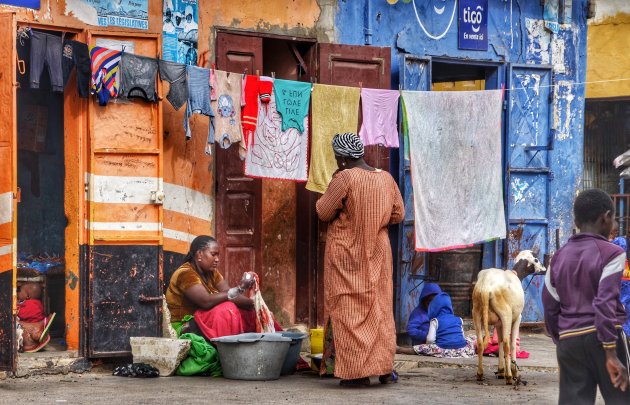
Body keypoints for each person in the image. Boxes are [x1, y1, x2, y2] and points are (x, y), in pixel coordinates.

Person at [316, 132, 404, 387]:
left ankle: (357, 373)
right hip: (378, 252)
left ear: (342, 157)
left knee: (349, 310)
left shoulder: (344, 178)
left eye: (336, 156)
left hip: (347, 255)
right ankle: (384, 368)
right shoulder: (386, 178)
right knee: (379, 309)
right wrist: (375, 222)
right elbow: (398, 213)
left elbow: (323, 212)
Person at [543, 189, 630, 404]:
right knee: (621, 399)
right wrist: (610, 351)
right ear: (606, 217)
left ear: (576, 220)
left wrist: (561, 339)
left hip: (569, 339)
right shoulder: (613, 253)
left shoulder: (558, 257)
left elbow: (550, 304)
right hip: (606, 339)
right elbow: (604, 301)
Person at [166, 235, 280, 340]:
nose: (217, 259)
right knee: (226, 309)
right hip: (185, 326)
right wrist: (240, 288)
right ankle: (228, 351)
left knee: (252, 314)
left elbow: (230, 294)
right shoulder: (185, 273)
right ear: (199, 254)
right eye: (213, 254)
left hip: (204, 321)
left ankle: (279, 345)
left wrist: (258, 307)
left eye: (218, 255)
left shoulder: (212, 273)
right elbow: (205, 301)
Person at [397, 292, 476, 358]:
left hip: (443, 350)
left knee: (421, 348)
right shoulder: (459, 319)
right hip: (462, 349)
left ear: (434, 307)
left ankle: (399, 349)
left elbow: (430, 340)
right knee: (471, 338)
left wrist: (430, 347)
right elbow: (462, 337)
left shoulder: (435, 320)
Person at [16, 282, 55, 353]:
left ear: (27, 296)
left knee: (10, 319)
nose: (17, 293)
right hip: (31, 323)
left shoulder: (30, 304)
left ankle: (32, 334)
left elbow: (21, 314)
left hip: (31, 322)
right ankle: (35, 331)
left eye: (19, 291)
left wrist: (14, 307)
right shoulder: (36, 303)